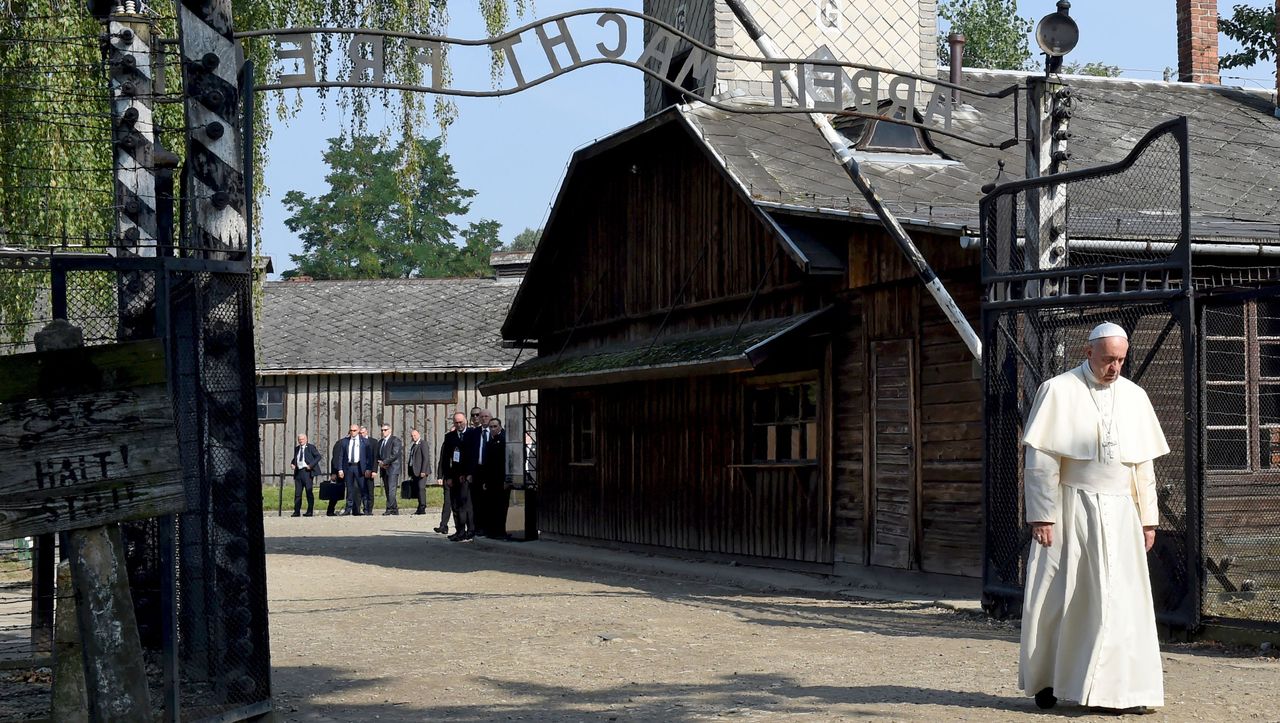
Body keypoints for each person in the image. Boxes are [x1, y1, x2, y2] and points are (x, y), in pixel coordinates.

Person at [1018, 322, 1169, 714]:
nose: (1114, 367)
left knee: (1123, 602)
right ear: (1088, 353)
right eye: (1107, 360)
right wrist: (1042, 515)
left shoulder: (1135, 396)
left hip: (1120, 510)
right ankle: (1049, 679)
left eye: (1120, 360)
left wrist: (1148, 519)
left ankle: (1124, 692)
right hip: (1070, 507)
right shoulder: (1058, 390)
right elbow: (1041, 461)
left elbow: (1143, 467)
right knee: (1058, 595)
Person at [438, 411, 479, 541]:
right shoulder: (450, 436)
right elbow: (445, 459)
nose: (459, 424)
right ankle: (459, 530)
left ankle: (471, 529)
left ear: (465, 421)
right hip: (454, 475)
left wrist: (468, 474)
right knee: (455, 504)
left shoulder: (473, 434)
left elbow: (474, 455)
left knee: (466, 504)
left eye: (461, 422)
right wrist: (448, 477)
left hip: (467, 475)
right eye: (456, 422)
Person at [479, 416, 509, 538]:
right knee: (491, 506)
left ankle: (501, 531)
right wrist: (485, 480)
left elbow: (507, 461)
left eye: (495, 426)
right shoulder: (490, 441)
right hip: (491, 479)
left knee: (501, 506)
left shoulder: (504, 440)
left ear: (500, 427)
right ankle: (492, 531)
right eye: (491, 427)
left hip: (501, 479)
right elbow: (487, 462)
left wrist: (506, 479)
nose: (492, 429)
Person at [338, 424, 373, 516]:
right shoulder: (345, 442)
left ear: (358, 431)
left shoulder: (364, 442)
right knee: (349, 489)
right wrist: (340, 469)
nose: (353, 432)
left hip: (359, 467)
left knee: (363, 488)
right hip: (349, 467)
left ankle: (366, 509)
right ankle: (348, 509)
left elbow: (369, 457)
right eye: (351, 430)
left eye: (354, 430)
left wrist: (368, 468)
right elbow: (341, 456)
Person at [289, 433, 322, 517]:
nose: (301, 441)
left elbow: (318, 457)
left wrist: (310, 465)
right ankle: (296, 511)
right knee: (297, 493)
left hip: (307, 472)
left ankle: (309, 511)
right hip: (298, 472)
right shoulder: (297, 449)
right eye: (299, 439)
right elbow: (296, 458)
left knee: (308, 492)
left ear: (306, 439)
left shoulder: (310, 447)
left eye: (302, 439)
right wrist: (293, 464)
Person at [377, 424, 404, 515]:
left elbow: (395, 454)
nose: (383, 432)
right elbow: (378, 454)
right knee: (387, 490)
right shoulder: (380, 442)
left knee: (392, 490)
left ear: (390, 430)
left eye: (385, 430)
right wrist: (380, 463)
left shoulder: (395, 440)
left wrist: (384, 462)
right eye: (382, 430)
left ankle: (389, 508)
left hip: (393, 468)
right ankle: (394, 509)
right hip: (384, 469)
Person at [407, 428, 432, 515]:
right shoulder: (414, 445)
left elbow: (426, 458)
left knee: (421, 488)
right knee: (417, 489)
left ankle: (422, 507)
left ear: (419, 435)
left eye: (415, 435)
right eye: (412, 436)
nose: (413, 437)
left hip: (422, 471)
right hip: (415, 471)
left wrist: (423, 470)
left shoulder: (423, 444)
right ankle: (419, 507)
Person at [328, 436, 346, 516]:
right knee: (336, 491)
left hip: (352, 470)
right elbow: (335, 458)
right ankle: (330, 510)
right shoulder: (341, 443)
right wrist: (334, 472)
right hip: (340, 470)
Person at [359, 425, 376, 514]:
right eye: (360, 433)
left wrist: (373, 470)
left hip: (369, 469)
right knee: (362, 490)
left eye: (363, 432)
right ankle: (365, 508)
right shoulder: (358, 441)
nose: (362, 434)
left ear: (367, 432)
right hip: (360, 470)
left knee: (370, 491)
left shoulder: (373, 442)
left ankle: (370, 509)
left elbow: (374, 457)